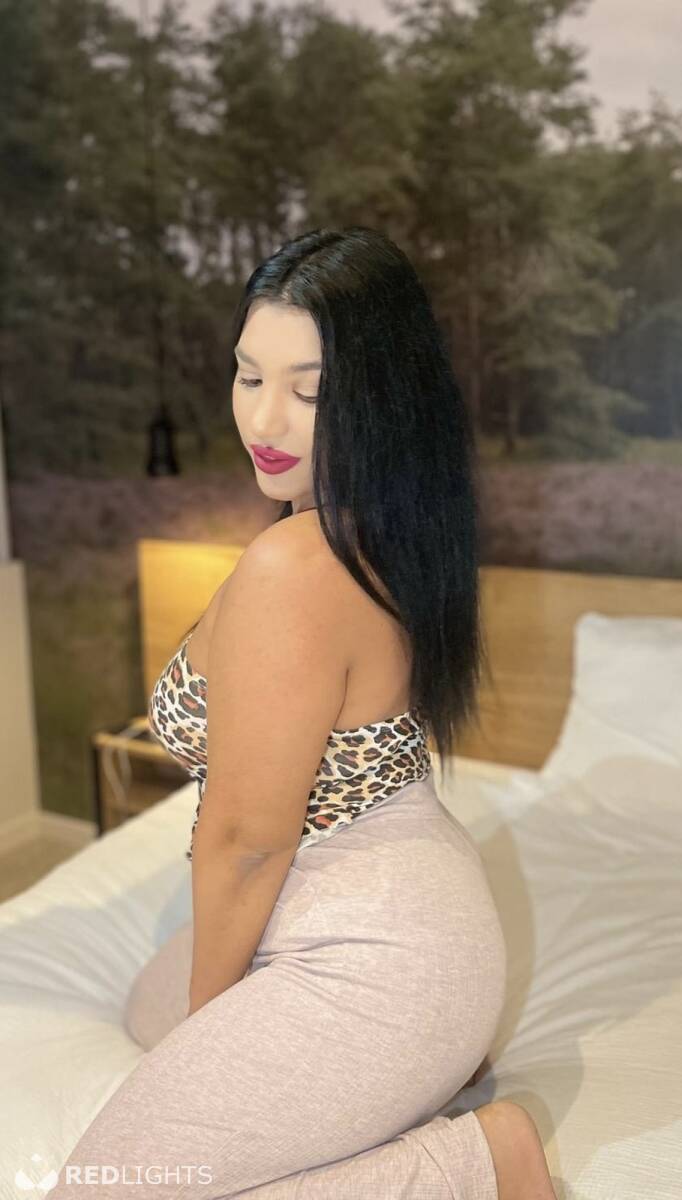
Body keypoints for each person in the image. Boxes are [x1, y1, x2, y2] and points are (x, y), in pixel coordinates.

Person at [50, 227, 556, 1199]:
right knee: (142, 1011)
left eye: (309, 391)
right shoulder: (379, 532)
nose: (264, 418)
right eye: (248, 376)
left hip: (382, 950)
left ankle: (481, 1157)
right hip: (381, 915)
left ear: (378, 399)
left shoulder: (294, 567)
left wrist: (210, 1029)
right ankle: (422, 1073)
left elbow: (247, 839)